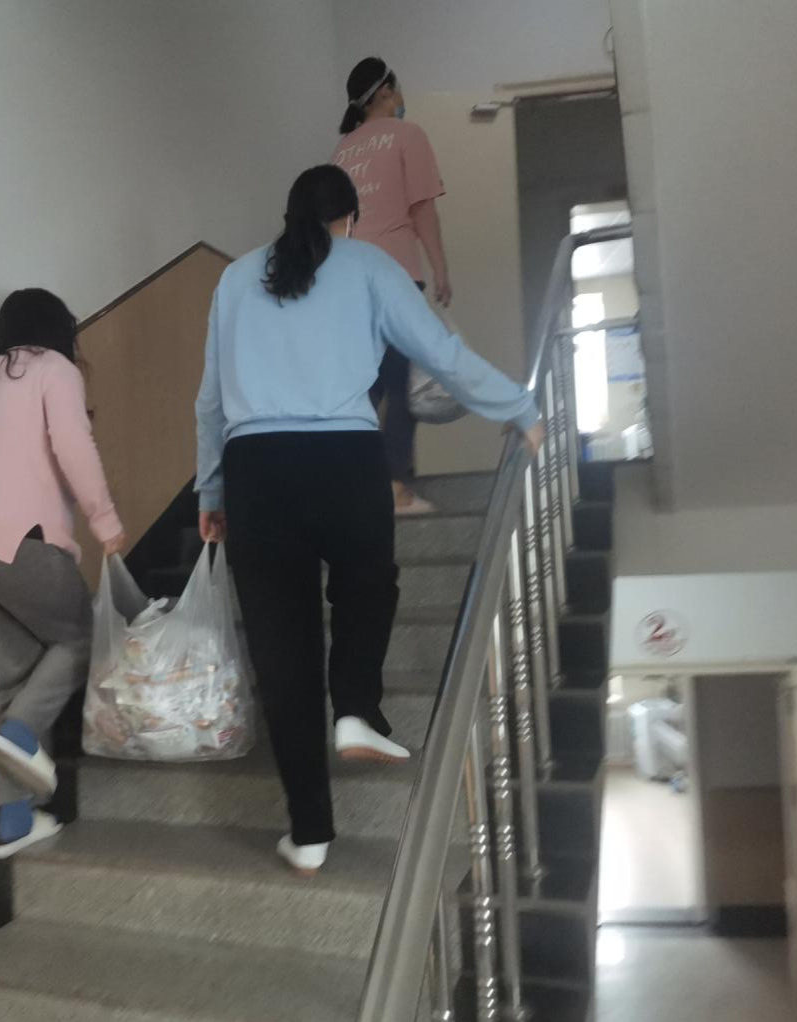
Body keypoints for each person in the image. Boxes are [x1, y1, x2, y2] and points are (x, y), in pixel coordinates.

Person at [195, 166, 543, 875]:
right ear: (348, 219)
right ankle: (355, 705)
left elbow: (209, 402)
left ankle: (309, 834)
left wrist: (211, 492)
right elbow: (440, 353)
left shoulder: (234, 279)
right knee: (367, 584)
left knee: (283, 657)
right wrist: (519, 407)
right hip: (345, 459)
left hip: (256, 469)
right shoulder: (368, 265)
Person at [0, 289, 126, 859]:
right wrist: (105, 521)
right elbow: (74, 445)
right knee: (84, 635)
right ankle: (19, 736)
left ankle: (13, 820)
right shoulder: (55, 369)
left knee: (12, 676)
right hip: (14, 542)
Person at [333, 57, 452, 515]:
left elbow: (336, 226)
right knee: (400, 385)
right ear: (385, 91)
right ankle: (395, 487)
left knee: (367, 388)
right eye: (397, 88)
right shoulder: (408, 135)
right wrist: (440, 269)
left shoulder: (343, 151)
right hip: (396, 276)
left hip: (348, 283)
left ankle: (354, 485)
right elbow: (422, 209)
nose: (401, 97)